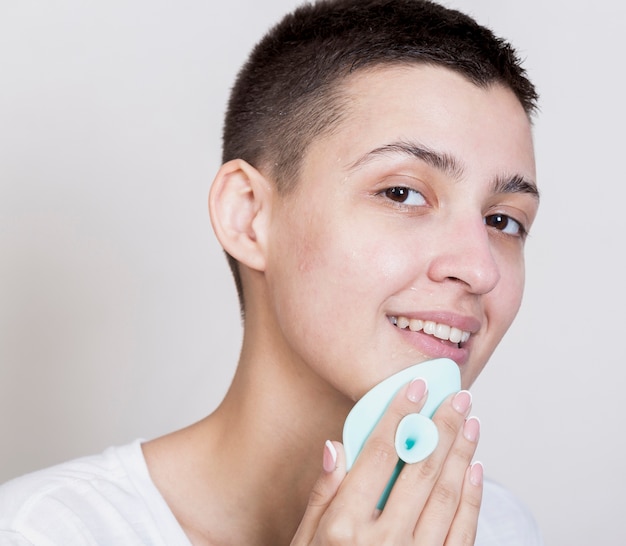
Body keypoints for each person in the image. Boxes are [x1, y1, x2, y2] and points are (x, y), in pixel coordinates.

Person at [0, 0, 543, 544]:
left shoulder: (499, 527)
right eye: (401, 193)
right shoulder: (43, 531)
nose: (479, 268)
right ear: (250, 216)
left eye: (504, 221)